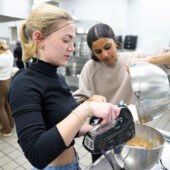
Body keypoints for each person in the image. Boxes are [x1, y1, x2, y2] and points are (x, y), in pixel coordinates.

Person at [8, 5, 120, 170]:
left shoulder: (57, 78)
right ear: (39, 38)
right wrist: (86, 108)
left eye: (72, 41)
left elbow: (60, 125)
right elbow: (36, 154)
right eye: (66, 40)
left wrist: (93, 130)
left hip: (73, 164)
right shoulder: (23, 83)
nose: (72, 47)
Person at [73, 23, 170, 162]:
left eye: (108, 47)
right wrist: (90, 99)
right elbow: (77, 101)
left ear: (115, 41)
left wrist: (150, 61)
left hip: (129, 132)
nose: (105, 55)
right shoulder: (90, 68)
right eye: (98, 51)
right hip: (101, 133)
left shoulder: (134, 59)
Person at [0, 41, 14, 137]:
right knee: (7, 104)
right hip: (8, 81)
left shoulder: (1, 58)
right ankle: (11, 125)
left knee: (0, 107)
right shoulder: (9, 53)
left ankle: (6, 130)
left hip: (1, 83)